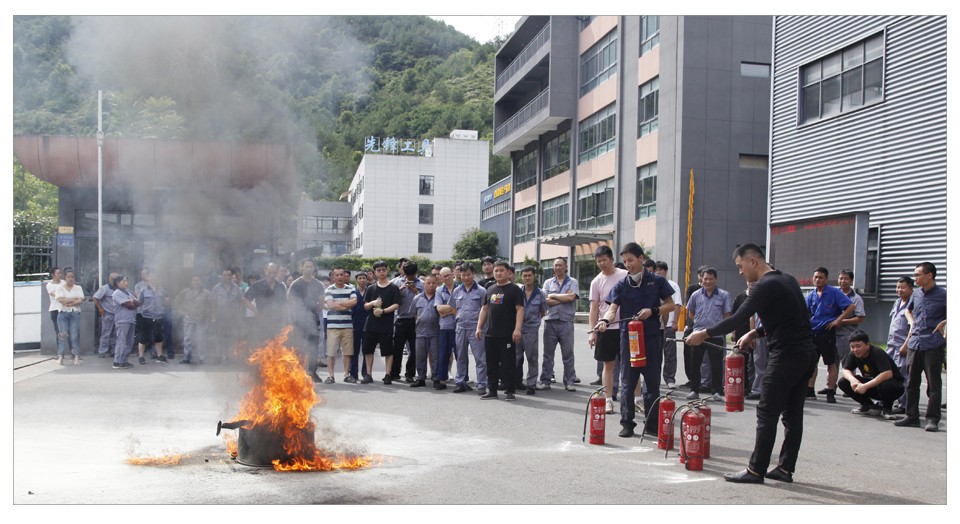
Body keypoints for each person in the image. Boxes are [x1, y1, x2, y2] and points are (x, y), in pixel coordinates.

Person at [685, 243, 817, 484]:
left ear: (753, 261)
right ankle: (785, 468)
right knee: (792, 415)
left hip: (786, 355)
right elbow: (791, 318)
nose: (740, 272)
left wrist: (703, 334)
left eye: (740, 266)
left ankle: (756, 470)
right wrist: (756, 333)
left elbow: (736, 318)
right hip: (806, 353)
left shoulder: (763, 286)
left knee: (767, 412)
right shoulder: (787, 279)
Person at [595, 243, 674, 438]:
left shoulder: (656, 281)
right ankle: (627, 423)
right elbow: (613, 308)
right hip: (628, 338)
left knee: (652, 382)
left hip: (652, 337)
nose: (627, 264)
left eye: (631, 260)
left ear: (641, 258)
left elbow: (671, 305)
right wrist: (605, 320)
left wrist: (653, 311)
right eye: (625, 261)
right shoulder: (622, 284)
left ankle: (652, 424)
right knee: (628, 382)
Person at [895, 262, 947, 432]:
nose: (915, 277)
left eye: (918, 274)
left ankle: (932, 419)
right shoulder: (916, 294)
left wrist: (945, 323)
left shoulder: (943, 295)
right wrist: (911, 322)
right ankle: (911, 416)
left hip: (933, 344)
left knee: (933, 384)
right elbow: (908, 310)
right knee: (911, 382)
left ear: (930, 275)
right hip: (914, 342)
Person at [476, 260, 524, 401]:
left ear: (508, 272)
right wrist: (479, 327)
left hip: (507, 334)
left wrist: (517, 329)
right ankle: (492, 390)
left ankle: (510, 391)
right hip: (491, 334)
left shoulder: (514, 289)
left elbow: (520, 309)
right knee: (491, 363)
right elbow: (484, 308)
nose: (498, 273)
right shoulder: (490, 289)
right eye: (496, 271)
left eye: (501, 270)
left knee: (508, 363)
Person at [805, 267, 855, 403]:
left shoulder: (834, 293)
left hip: (827, 332)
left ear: (826, 279)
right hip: (813, 332)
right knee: (812, 362)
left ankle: (830, 390)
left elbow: (850, 307)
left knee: (831, 363)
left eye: (820, 277)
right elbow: (804, 311)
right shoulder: (812, 294)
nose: (817, 280)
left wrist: (838, 320)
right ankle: (810, 390)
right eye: (815, 277)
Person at [588, 246, 628, 413]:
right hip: (606, 328)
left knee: (631, 366)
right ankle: (608, 399)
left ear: (612, 259)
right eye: (598, 261)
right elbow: (594, 308)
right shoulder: (596, 281)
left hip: (626, 326)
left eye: (604, 260)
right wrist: (593, 332)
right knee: (608, 365)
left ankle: (636, 399)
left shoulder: (625, 275)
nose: (602, 263)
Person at [685, 267, 733, 401]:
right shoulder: (696, 295)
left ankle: (717, 391)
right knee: (695, 363)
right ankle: (694, 390)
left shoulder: (724, 295)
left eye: (710, 279)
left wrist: (720, 328)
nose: (707, 281)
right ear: (701, 279)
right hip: (697, 334)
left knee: (716, 364)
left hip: (715, 335)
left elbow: (727, 314)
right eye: (705, 278)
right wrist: (698, 324)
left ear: (715, 279)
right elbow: (691, 312)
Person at [838, 330, 905, 420]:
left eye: (858, 346)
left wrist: (865, 386)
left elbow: (887, 374)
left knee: (887, 384)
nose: (855, 350)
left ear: (867, 344)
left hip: (893, 387)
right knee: (843, 382)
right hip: (873, 386)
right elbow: (845, 370)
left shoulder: (877, 353)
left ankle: (887, 409)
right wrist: (852, 380)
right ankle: (869, 406)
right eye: (852, 347)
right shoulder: (854, 354)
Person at [538, 257, 580, 392]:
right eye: (555, 265)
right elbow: (546, 301)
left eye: (560, 265)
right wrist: (563, 297)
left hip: (566, 322)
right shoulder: (548, 282)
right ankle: (545, 380)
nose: (558, 267)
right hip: (550, 321)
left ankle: (569, 381)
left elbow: (571, 297)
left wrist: (554, 296)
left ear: (565, 266)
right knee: (548, 354)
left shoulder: (573, 281)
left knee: (568, 353)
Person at [450, 262, 488, 395]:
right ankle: (460, 382)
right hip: (460, 328)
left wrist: (479, 326)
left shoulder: (482, 291)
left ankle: (482, 384)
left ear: (474, 274)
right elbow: (453, 308)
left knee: (480, 357)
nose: (466, 277)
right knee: (460, 356)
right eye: (463, 275)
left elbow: (485, 309)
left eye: (468, 274)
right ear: (459, 275)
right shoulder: (456, 290)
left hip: (476, 328)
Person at [362, 261, 401, 384]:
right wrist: (373, 303)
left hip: (386, 325)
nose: (381, 272)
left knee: (388, 351)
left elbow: (396, 305)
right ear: (374, 273)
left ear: (387, 270)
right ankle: (368, 374)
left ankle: (388, 374)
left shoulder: (393, 287)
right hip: (371, 325)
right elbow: (365, 306)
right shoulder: (370, 288)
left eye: (383, 270)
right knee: (368, 350)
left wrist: (383, 311)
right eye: (378, 270)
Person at [287, 259, 325, 380]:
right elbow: (290, 300)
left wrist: (314, 312)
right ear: (302, 268)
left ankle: (312, 372)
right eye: (306, 266)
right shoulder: (296, 284)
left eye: (311, 267)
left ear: (314, 269)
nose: (309, 268)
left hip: (313, 320)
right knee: (299, 347)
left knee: (313, 347)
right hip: (298, 321)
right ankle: (298, 372)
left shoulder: (318, 284)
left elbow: (321, 302)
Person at [391, 261, 424, 382]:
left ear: (415, 273)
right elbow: (390, 298)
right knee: (397, 348)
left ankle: (410, 373)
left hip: (415, 320)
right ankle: (394, 373)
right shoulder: (396, 283)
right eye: (407, 274)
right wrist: (401, 288)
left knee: (415, 349)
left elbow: (426, 299)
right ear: (403, 272)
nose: (409, 277)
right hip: (400, 319)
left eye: (411, 275)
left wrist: (416, 292)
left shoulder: (422, 284)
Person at [324, 267, 357, 384]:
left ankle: (346, 375)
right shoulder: (329, 290)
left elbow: (354, 302)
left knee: (347, 352)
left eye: (341, 275)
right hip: (332, 326)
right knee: (331, 352)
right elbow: (330, 305)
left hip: (347, 325)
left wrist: (337, 303)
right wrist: (346, 305)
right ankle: (331, 376)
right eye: (336, 275)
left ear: (345, 276)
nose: (339, 277)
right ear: (333, 277)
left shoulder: (351, 288)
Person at [517, 266, 547, 396]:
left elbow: (542, 311)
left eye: (529, 275)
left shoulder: (540, 294)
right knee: (515, 358)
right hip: (517, 329)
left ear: (534, 276)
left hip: (531, 331)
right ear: (522, 277)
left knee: (532, 358)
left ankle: (531, 384)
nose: (527, 278)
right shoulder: (517, 291)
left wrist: (533, 322)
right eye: (525, 276)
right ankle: (514, 382)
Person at [885, 276, 913, 413]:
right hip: (891, 344)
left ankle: (904, 405)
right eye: (898, 287)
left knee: (903, 375)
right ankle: (886, 399)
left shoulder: (912, 304)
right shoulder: (897, 302)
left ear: (911, 288)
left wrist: (906, 345)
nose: (899, 290)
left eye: (902, 287)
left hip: (903, 345)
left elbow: (913, 327)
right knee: (887, 372)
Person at [832, 269, 866, 379]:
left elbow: (860, 318)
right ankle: (831, 386)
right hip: (832, 333)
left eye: (846, 279)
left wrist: (841, 321)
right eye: (841, 278)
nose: (843, 281)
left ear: (851, 281)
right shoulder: (833, 295)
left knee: (847, 362)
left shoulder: (856, 298)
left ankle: (849, 385)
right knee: (832, 362)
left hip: (847, 335)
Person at [244, 262, 287, 346]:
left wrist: (285, 319)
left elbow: (284, 305)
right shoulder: (257, 285)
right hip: (262, 321)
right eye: (270, 272)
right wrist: (256, 312)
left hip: (277, 322)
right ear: (265, 271)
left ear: (277, 272)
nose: (272, 275)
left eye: (274, 273)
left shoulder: (281, 287)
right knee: (262, 346)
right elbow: (245, 299)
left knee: (277, 346)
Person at [655, 261, 683, 390]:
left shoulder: (672, 285)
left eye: (662, 270)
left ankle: (670, 378)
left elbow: (677, 304)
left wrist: (675, 322)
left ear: (666, 271)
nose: (659, 272)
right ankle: (654, 379)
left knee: (670, 354)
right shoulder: (652, 284)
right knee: (655, 354)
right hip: (656, 325)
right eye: (657, 270)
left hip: (669, 325)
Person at [411, 275, 441, 388]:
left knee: (435, 357)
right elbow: (414, 314)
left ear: (437, 284)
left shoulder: (440, 298)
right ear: (424, 284)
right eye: (428, 283)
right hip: (420, 332)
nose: (431, 285)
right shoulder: (417, 298)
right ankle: (421, 378)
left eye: (433, 283)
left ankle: (436, 378)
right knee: (420, 357)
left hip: (435, 332)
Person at [176, 275, 211, 364]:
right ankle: (186, 357)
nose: (196, 282)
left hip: (201, 319)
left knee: (201, 339)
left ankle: (202, 358)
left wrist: (207, 316)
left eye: (198, 280)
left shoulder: (206, 293)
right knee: (187, 339)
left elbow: (211, 306)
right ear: (191, 282)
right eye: (194, 280)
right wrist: (183, 313)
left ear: (201, 282)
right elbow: (177, 302)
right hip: (189, 319)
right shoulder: (185, 292)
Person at [54, 268, 85, 366]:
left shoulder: (78, 288)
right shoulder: (60, 288)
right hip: (63, 313)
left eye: (72, 277)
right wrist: (73, 299)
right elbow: (61, 300)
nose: (70, 279)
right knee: (63, 335)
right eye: (68, 277)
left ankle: (76, 356)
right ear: (65, 278)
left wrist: (69, 304)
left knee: (74, 336)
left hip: (74, 313)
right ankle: (60, 356)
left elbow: (80, 300)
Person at [136, 272, 168, 365]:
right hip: (146, 317)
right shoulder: (143, 290)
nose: (153, 279)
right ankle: (141, 357)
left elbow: (166, 302)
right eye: (151, 277)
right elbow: (139, 302)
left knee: (158, 337)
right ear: (148, 278)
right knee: (143, 337)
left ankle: (159, 356)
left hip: (158, 317)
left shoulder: (162, 290)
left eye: (155, 277)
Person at [434, 267, 458, 390]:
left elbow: (462, 308)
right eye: (444, 276)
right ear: (441, 278)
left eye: (448, 275)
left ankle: (462, 380)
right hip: (445, 327)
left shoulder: (460, 288)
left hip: (459, 326)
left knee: (461, 354)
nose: (447, 277)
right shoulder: (439, 290)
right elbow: (439, 309)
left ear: (453, 274)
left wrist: (447, 310)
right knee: (443, 354)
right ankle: (441, 379)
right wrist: (453, 310)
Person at [111, 274, 139, 369]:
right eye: (123, 281)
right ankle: (117, 361)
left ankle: (124, 360)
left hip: (131, 319)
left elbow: (137, 302)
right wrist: (134, 302)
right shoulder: (117, 293)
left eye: (126, 281)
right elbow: (129, 305)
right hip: (122, 320)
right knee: (121, 341)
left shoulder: (128, 292)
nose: (125, 283)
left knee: (129, 341)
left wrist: (134, 302)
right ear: (117, 283)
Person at [348, 269, 370, 382]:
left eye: (364, 278)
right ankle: (353, 374)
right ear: (356, 280)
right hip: (355, 325)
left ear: (367, 280)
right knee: (354, 351)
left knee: (366, 350)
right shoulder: (352, 293)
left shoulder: (370, 292)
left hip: (367, 325)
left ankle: (366, 373)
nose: (362, 280)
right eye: (360, 278)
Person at [92, 272, 119, 358]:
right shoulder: (105, 288)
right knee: (106, 333)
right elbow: (95, 298)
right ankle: (102, 350)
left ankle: (114, 351)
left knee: (116, 333)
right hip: (108, 314)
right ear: (110, 279)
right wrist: (100, 308)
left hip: (118, 314)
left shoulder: (119, 289)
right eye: (114, 279)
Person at [46, 266, 63, 340]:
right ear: (53, 275)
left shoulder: (64, 282)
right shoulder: (49, 285)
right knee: (58, 330)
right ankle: (60, 349)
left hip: (65, 308)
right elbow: (55, 295)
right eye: (58, 273)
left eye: (60, 273)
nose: (60, 275)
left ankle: (72, 348)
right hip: (55, 309)